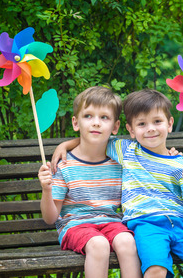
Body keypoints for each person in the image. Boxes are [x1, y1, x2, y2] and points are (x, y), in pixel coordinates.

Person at [52, 89, 183, 278]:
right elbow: (94, 135)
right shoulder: (126, 151)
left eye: (157, 121)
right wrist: (64, 145)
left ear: (170, 124)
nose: (150, 128)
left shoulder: (181, 164)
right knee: (155, 271)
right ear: (131, 130)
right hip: (146, 224)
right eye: (142, 124)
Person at [38, 86, 142, 278]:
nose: (96, 123)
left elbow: (151, 149)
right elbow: (50, 218)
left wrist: (171, 154)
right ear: (76, 123)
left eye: (104, 117)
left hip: (111, 222)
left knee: (128, 241)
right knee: (99, 244)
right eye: (88, 116)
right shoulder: (65, 165)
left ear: (115, 126)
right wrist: (46, 189)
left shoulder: (121, 158)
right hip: (75, 226)